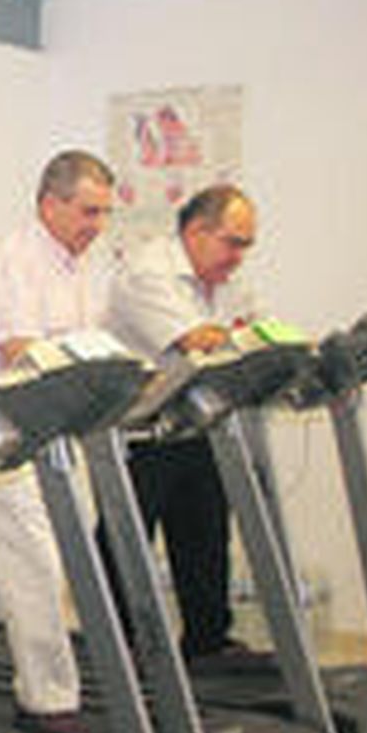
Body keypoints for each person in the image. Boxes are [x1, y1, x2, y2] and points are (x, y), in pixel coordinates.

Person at [0, 150, 116, 733]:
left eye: (105, 213)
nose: (98, 224)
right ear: (50, 204)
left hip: (49, 430)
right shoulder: (10, 257)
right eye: (88, 211)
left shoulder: (79, 265)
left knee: (5, 557)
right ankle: (47, 699)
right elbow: (22, 353)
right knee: (35, 556)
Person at [101, 182, 268, 670]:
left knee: (205, 527)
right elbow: (200, 343)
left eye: (246, 246)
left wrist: (249, 340)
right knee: (127, 535)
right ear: (196, 231)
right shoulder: (149, 272)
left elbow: (258, 331)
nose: (239, 257)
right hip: (140, 425)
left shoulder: (227, 278)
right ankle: (117, 643)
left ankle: (207, 640)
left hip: (196, 417)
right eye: (232, 242)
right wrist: (240, 338)